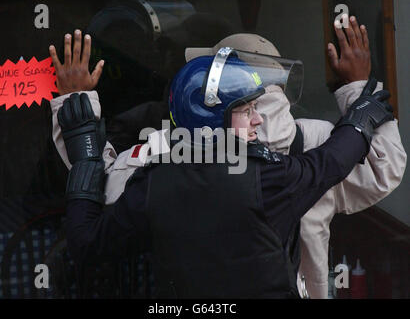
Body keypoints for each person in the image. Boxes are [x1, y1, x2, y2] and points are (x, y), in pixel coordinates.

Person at [49, 15, 406, 298]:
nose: (255, 120)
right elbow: (383, 167)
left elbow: (100, 180)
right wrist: (357, 89)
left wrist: (75, 102)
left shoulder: (167, 151)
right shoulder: (316, 139)